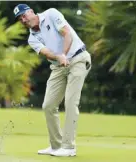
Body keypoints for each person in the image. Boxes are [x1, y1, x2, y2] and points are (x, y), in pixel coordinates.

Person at [13, 4, 91, 157]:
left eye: (24, 15)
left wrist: (63, 54)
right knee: (48, 105)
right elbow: (47, 52)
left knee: (70, 102)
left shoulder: (51, 14)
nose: (23, 19)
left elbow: (66, 33)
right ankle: (56, 146)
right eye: (20, 18)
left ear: (31, 12)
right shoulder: (32, 38)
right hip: (58, 67)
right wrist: (59, 57)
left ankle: (69, 147)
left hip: (78, 59)